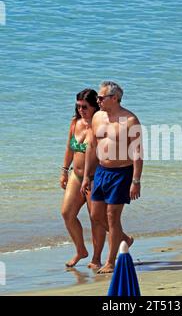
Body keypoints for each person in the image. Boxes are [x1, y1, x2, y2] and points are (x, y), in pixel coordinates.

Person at [81, 81, 143, 274]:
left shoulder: (130, 120)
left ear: (114, 98)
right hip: (101, 171)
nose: (97, 100)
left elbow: (138, 154)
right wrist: (85, 176)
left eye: (101, 97)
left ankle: (110, 261)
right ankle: (124, 239)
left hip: (121, 173)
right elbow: (91, 147)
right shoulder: (98, 117)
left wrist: (136, 181)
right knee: (96, 215)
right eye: (98, 97)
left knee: (112, 216)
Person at [60, 88, 102, 269]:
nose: (81, 110)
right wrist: (63, 170)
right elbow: (70, 148)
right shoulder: (75, 122)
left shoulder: (99, 125)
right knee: (67, 213)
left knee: (96, 218)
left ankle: (97, 258)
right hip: (76, 175)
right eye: (78, 106)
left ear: (94, 107)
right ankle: (81, 250)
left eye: (85, 107)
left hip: (95, 177)